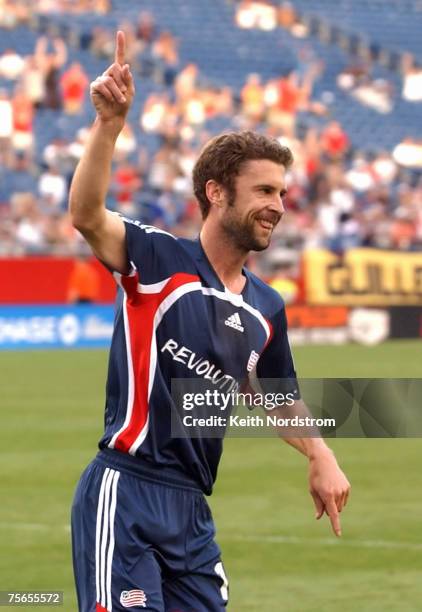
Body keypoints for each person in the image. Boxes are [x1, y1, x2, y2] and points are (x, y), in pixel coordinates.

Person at [69, 31, 351, 612]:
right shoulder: (158, 260)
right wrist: (110, 127)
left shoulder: (267, 306)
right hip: (126, 492)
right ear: (216, 193)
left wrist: (321, 453)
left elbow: (277, 397)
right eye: (264, 190)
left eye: (282, 191)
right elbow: (87, 214)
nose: (278, 203)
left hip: (192, 511)